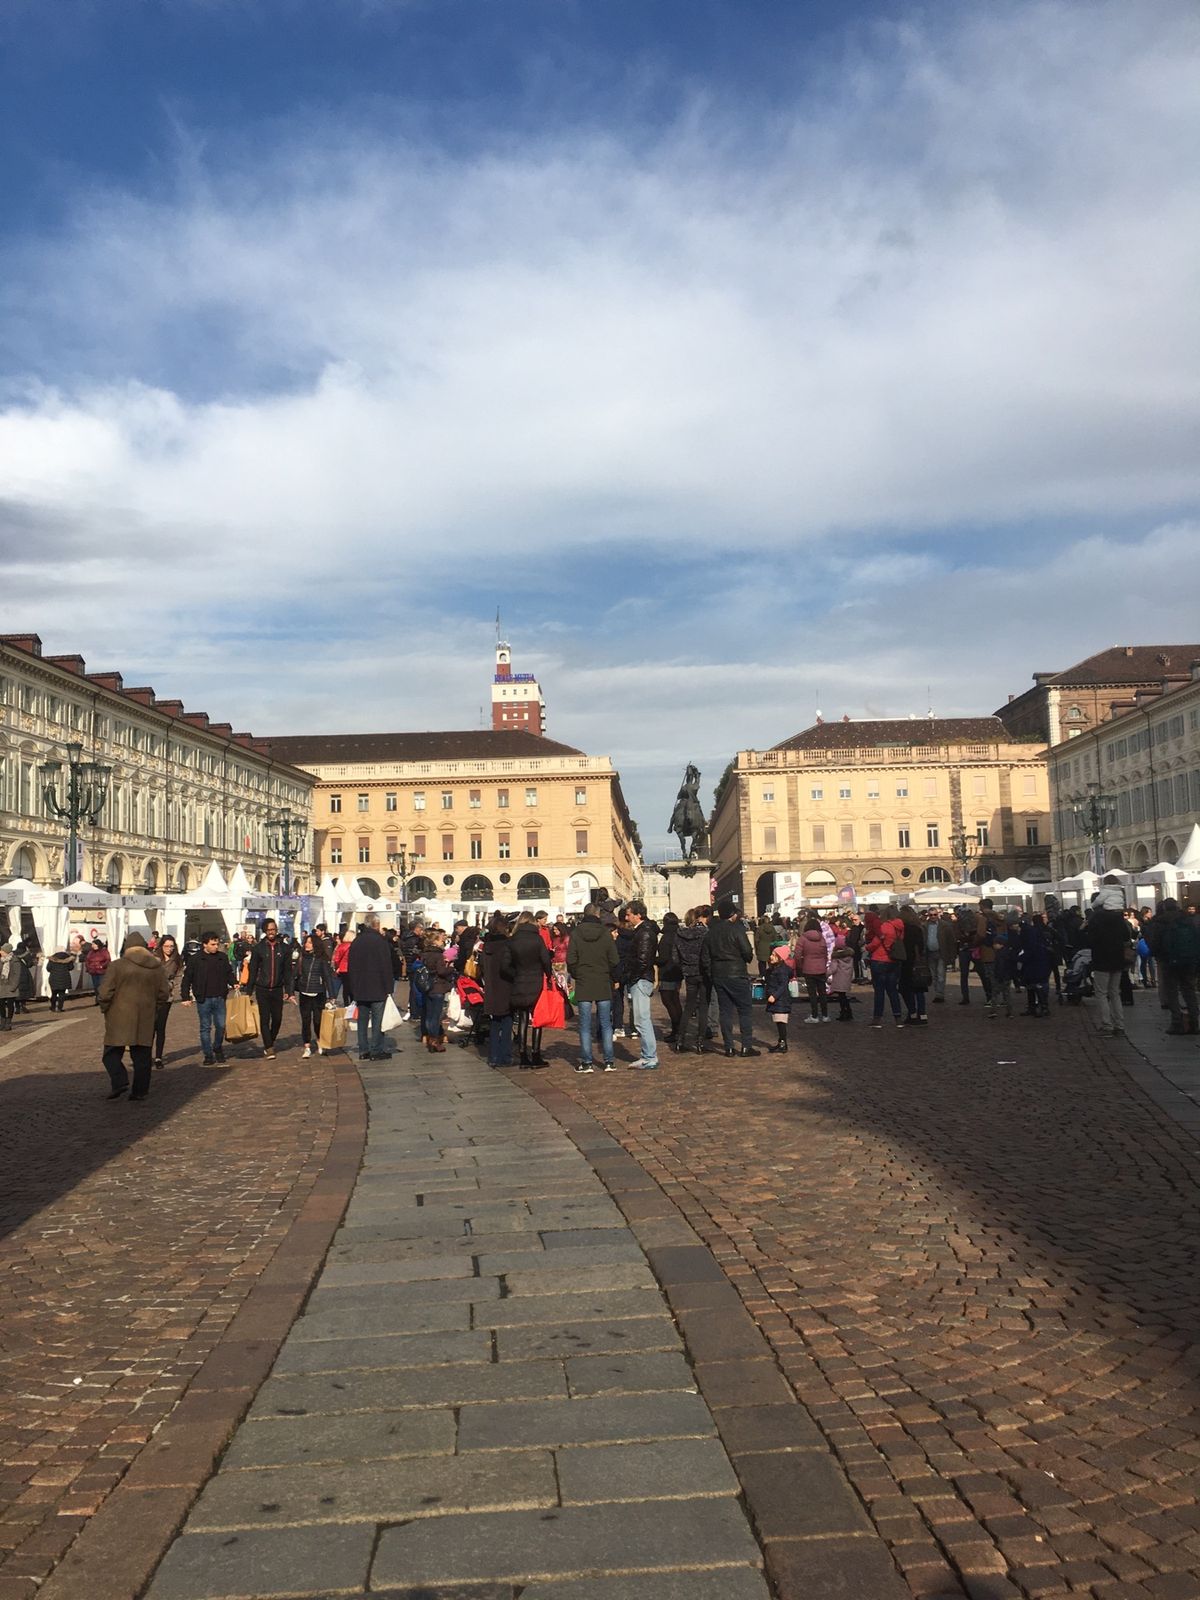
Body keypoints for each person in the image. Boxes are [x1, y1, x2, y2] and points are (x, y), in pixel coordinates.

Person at [97, 932, 171, 1101]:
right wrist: (153, 1009)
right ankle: (140, 1091)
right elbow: (163, 994)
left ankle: (119, 1080)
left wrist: (105, 1008)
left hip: (119, 1015)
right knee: (142, 1057)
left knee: (111, 1053)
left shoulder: (117, 966)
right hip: (145, 1015)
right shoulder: (156, 967)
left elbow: (105, 992)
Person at [567, 903, 619, 1073]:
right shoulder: (605, 933)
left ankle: (587, 1062)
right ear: (598, 915)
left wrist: (578, 974)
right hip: (602, 980)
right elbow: (614, 959)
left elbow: (571, 959)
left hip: (584, 981)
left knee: (584, 1025)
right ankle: (609, 1061)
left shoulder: (576, 933)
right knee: (606, 1023)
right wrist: (607, 971)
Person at [706, 901, 758, 1057]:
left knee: (725, 1011)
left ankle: (728, 1047)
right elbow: (747, 952)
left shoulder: (711, 932)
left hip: (719, 975)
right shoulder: (737, 929)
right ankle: (746, 1046)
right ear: (731, 914)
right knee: (745, 1010)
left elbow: (706, 956)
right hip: (737, 973)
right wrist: (746, 958)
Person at [1084, 887, 1134, 1036]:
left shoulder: (1095, 919)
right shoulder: (1118, 918)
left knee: (1101, 993)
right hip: (1117, 959)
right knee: (1115, 993)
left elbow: (1090, 940)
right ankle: (1120, 1025)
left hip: (1101, 959)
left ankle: (1107, 1025)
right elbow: (1127, 936)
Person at [347, 911, 396, 1061]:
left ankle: (363, 1050)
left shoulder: (357, 941)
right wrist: (389, 987)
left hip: (360, 987)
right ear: (376, 924)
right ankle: (376, 1049)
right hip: (378, 987)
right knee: (377, 1020)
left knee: (362, 1020)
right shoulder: (380, 941)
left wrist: (353, 987)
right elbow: (386, 966)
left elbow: (351, 967)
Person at [181, 929, 233, 1064]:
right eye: (213, 944)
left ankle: (217, 1047)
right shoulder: (195, 959)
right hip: (203, 998)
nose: (216, 947)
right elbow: (187, 978)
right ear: (205, 944)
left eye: (217, 944)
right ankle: (208, 1054)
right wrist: (185, 996)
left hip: (220, 997)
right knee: (205, 1027)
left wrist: (234, 982)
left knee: (221, 1025)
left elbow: (229, 973)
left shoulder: (222, 957)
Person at [509, 911, 553, 1066]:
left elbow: (505, 965)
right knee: (537, 1019)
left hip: (519, 982)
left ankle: (523, 1056)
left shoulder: (513, 940)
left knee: (522, 1018)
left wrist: (515, 975)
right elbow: (546, 960)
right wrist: (548, 975)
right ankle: (535, 1054)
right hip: (536, 982)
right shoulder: (537, 939)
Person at [246, 918, 294, 1059]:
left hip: (277, 988)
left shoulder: (284, 948)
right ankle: (269, 1047)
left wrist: (289, 990)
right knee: (265, 1018)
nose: (271, 932)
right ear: (265, 931)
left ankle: (270, 1041)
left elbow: (287, 972)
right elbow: (253, 970)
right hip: (262, 989)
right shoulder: (258, 948)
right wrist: (249, 991)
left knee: (277, 1019)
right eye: (269, 930)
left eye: (273, 929)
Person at [623, 900, 660, 1070]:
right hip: (640, 978)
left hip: (640, 979)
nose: (627, 918)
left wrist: (633, 977)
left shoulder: (644, 933)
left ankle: (649, 1056)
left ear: (638, 915)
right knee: (641, 1019)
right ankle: (648, 1055)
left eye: (629, 914)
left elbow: (643, 960)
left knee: (642, 1019)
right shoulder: (643, 931)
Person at [1157, 899, 1200, 1035]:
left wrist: (1159, 955)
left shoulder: (1161, 921)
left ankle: (1177, 1023)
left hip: (1170, 961)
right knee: (1189, 990)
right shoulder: (1188, 920)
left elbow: (1155, 941)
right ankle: (1194, 1022)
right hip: (1189, 960)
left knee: (1172, 992)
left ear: (1165, 908)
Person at [479, 913, 516, 1067]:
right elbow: (510, 966)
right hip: (506, 986)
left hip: (491, 987)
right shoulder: (507, 945)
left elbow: (481, 967)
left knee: (495, 1022)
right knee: (507, 1022)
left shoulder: (486, 946)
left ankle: (493, 1056)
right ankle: (505, 1055)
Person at [673, 907, 711, 1053]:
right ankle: (700, 1042)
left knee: (689, 1006)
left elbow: (675, 957)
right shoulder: (706, 933)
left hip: (689, 973)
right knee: (703, 1007)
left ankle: (680, 1040)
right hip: (703, 972)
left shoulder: (680, 934)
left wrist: (685, 966)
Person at [296, 933, 336, 1058]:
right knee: (305, 1021)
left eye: (309, 943)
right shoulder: (302, 957)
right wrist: (290, 992)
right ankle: (307, 1046)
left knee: (318, 1020)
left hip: (318, 993)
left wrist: (332, 995)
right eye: (306, 942)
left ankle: (320, 1041)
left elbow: (327, 977)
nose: (306, 945)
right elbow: (294, 975)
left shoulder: (321, 958)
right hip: (304, 993)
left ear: (315, 945)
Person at [865, 906, 905, 1028]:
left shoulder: (885, 926)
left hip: (879, 959)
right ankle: (898, 1018)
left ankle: (877, 1019)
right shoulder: (900, 927)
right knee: (893, 991)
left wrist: (866, 947)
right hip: (893, 960)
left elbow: (876, 943)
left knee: (879, 991)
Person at [418, 929, 454, 1053]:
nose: (442, 941)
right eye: (440, 940)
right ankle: (434, 1040)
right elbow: (441, 971)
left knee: (429, 1015)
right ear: (435, 941)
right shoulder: (438, 955)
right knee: (436, 1016)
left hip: (427, 987)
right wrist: (450, 968)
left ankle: (430, 1038)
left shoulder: (424, 954)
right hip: (438, 986)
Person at [152, 934, 184, 1067]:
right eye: (166, 946)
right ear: (161, 946)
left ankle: (158, 1057)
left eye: (171, 946)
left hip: (166, 996)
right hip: (152, 996)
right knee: (150, 1027)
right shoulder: (154, 958)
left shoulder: (176, 959)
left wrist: (175, 989)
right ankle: (146, 1055)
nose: (169, 949)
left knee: (161, 1027)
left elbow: (178, 975)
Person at [897, 905, 930, 1024]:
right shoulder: (918, 928)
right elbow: (921, 946)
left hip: (906, 961)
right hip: (918, 962)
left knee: (906, 989)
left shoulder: (902, 929)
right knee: (919, 989)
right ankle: (923, 1014)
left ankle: (912, 1013)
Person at [655, 912, 684, 1044]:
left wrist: (653, 960)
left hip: (667, 972)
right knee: (675, 1000)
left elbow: (663, 958)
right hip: (677, 971)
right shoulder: (679, 935)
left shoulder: (666, 937)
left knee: (668, 1000)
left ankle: (676, 1029)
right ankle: (679, 1029)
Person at [796, 915, 830, 1024]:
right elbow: (825, 954)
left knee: (812, 994)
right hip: (821, 968)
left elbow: (797, 955)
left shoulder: (803, 938)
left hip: (808, 968)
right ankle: (825, 1015)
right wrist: (824, 965)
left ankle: (814, 1016)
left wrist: (800, 966)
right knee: (822, 993)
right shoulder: (822, 938)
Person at [764, 945, 793, 1052]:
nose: (771, 957)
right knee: (779, 1022)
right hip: (779, 1001)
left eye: (774, 955)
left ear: (780, 958)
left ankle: (783, 1044)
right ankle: (781, 1042)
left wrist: (774, 996)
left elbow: (783, 985)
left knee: (781, 1023)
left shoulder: (781, 971)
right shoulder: (775, 969)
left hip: (781, 1001)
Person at [828, 941, 855, 1020]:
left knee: (841, 998)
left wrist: (825, 975)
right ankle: (848, 1012)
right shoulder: (850, 956)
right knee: (844, 996)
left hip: (839, 979)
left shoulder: (836, 957)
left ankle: (844, 1013)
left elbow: (833, 969)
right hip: (846, 979)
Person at [0, 945, 21, 1031]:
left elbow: (17, 975)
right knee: (1, 1005)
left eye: (2, 951)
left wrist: (13, 986)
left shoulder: (15, 961)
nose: (0, 952)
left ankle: (8, 1022)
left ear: (6, 951)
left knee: (10, 1005)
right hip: (1, 986)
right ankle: (3, 1021)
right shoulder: (1, 960)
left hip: (11, 986)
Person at [84, 938, 110, 1003]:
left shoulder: (104, 951)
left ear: (98, 945)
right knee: (96, 986)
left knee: (101, 986)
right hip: (93, 971)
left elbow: (107, 960)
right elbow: (87, 960)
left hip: (101, 971)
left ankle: (102, 999)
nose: (92, 946)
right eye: (92, 944)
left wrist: (102, 966)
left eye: (94, 944)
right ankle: (98, 999)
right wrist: (89, 967)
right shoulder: (91, 952)